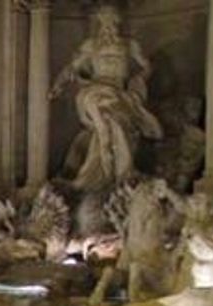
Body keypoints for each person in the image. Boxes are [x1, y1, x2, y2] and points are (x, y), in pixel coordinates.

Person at [48, 4, 163, 195]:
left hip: (119, 93)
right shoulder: (90, 45)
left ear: (118, 22)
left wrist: (139, 79)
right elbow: (71, 69)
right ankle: (115, 171)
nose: (109, 25)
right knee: (102, 112)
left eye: (113, 20)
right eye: (105, 20)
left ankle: (109, 172)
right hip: (95, 90)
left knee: (114, 120)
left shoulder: (130, 45)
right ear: (100, 21)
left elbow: (146, 67)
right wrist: (57, 85)